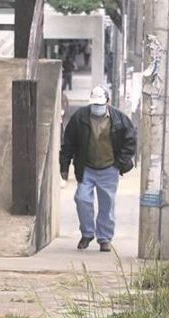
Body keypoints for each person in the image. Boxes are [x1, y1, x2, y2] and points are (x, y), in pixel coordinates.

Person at [60, 87, 137, 252]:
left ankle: (105, 238)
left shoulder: (119, 119)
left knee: (107, 204)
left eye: (100, 104)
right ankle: (87, 233)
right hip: (86, 167)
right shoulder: (80, 118)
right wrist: (64, 167)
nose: (97, 108)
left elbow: (130, 140)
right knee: (82, 199)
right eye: (94, 104)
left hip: (109, 168)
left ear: (107, 103)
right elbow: (68, 143)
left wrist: (120, 162)